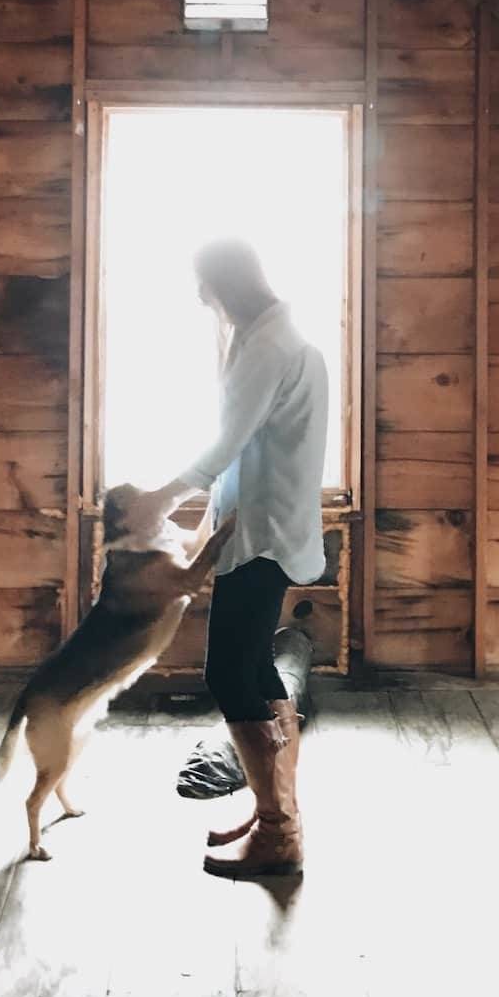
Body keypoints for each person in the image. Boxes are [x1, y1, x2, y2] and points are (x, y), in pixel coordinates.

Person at [126, 237, 327, 878]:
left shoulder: (268, 346)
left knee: (229, 674)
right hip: (267, 527)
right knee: (258, 674)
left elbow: (221, 448)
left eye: (202, 283)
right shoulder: (269, 335)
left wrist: (157, 500)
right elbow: (241, 451)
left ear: (225, 283)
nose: (198, 297)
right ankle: (278, 812)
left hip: (263, 535)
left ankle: (277, 832)